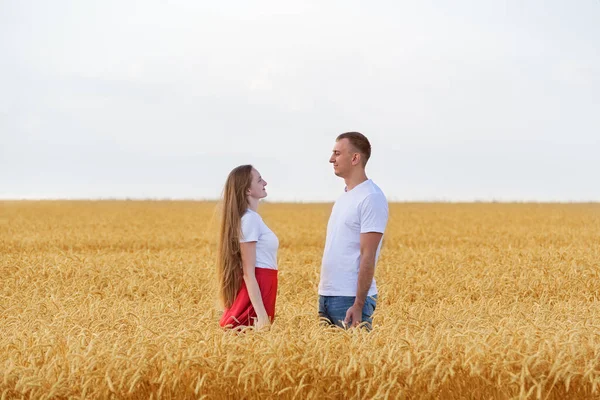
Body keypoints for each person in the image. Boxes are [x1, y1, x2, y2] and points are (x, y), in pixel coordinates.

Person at [318, 132, 389, 330]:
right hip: (327, 295)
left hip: (349, 299)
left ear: (355, 158)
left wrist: (358, 304)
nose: (331, 159)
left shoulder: (370, 197)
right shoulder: (344, 196)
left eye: (337, 153)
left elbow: (368, 254)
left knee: (355, 360)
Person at [217, 165, 279, 330]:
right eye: (259, 180)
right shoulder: (250, 220)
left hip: (265, 282)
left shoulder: (252, 218)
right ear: (247, 191)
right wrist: (262, 315)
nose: (265, 182)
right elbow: (248, 272)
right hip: (259, 284)